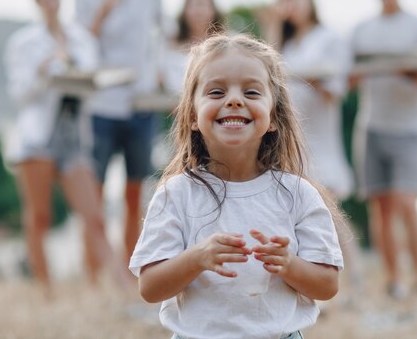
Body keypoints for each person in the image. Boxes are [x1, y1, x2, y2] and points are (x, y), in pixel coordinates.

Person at [129, 35, 343, 339]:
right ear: (192, 115)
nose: (234, 100)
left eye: (252, 91)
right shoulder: (175, 195)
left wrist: (289, 265)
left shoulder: (298, 195)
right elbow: (150, 287)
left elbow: (327, 285)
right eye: (216, 91)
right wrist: (197, 258)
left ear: (273, 118)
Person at [4, 0, 133, 297]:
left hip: (74, 137)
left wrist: (72, 65)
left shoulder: (79, 39)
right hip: (38, 139)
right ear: (37, 1)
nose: (52, 2)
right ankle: (46, 292)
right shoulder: (24, 42)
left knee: (94, 216)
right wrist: (44, 69)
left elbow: (91, 75)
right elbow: (20, 93)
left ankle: (121, 286)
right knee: (39, 216)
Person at [349, 0, 417, 299]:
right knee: (381, 207)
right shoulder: (361, 30)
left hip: (410, 128)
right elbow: (348, 78)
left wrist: (411, 73)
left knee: (407, 203)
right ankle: (393, 281)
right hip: (372, 125)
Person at [260, 0, 363, 296]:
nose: (290, 3)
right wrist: (274, 25)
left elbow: (336, 91)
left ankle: (355, 282)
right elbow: (268, 68)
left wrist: (312, 77)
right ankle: (313, 286)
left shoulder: (328, 38)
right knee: (302, 217)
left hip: (321, 135)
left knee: (331, 212)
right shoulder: (288, 45)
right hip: (293, 140)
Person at [75, 0, 164, 273]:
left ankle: (131, 271)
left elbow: (160, 37)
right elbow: (80, 47)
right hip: (101, 105)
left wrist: (158, 70)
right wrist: (103, 12)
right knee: (94, 194)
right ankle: (94, 272)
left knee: (134, 194)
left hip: (140, 104)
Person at [160, 0, 224, 95]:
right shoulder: (169, 46)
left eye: (203, 4)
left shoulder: (226, 45)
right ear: (185, 10)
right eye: (193, 4)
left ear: (213, 9)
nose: (198, 10)